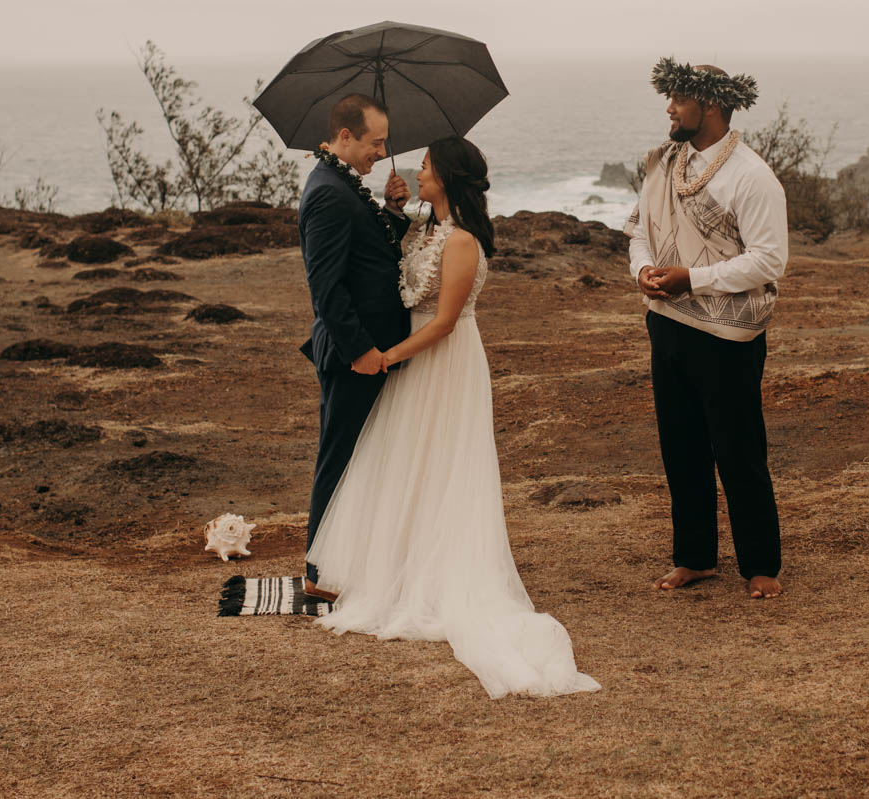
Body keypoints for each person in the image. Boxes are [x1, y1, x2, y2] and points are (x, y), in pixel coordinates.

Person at [307, 137, 600, 698]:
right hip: (417, 359)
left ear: (447, 178)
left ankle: (439, 574)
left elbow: (443, 322)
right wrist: (394, 211)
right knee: (405, 462)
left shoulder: (462, 241)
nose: (417, 172)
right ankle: (401, 564)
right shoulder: (426, 228)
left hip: (442, 360)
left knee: (443, 462)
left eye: (425, 167)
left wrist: (386, 357)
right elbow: (400, 265)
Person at [626, 58, 788, 600]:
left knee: (738, 448)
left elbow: (769, 262)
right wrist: (643, 271)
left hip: (729, 336)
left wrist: (691, 279)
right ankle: (694, 557)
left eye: (677, 99)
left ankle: (761, 564)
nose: (668, 108)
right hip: (666, 323)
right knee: (681, 445)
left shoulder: (751, 176)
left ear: (711, 106)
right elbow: (637, 232)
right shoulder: (662, 165)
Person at [297, 93, 411, 600]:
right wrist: (361, 349)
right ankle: (319, 573)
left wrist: (391, 210)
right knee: (339, 456)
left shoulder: (344, 184)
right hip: (352, 356)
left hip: (368, 352)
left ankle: (345, 559)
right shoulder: (327, 192)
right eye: (375, 142)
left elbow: (369, 256)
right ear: (345, 137)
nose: (381, 152)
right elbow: (326, 288)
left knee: (359, 456)